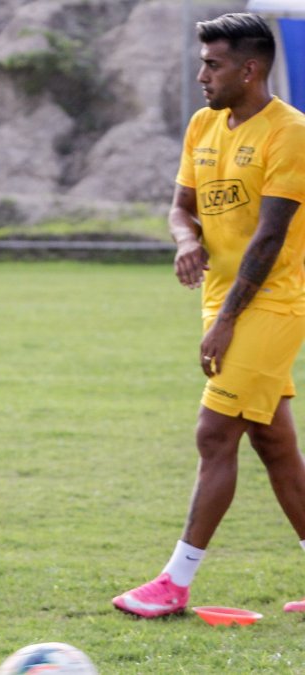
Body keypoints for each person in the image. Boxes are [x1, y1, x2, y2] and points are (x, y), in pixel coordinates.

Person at [113, 12, 305, 619]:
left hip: (272, 304)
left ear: (249, 70)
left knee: (214, 432)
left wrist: (226, 321)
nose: (201, 76)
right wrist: (185, 241)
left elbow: (269, 238)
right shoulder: (203, 125)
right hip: (221, 301)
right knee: (274, 443)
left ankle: (174, 582)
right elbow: (181, 207)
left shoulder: (291, 133)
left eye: (212, 65)